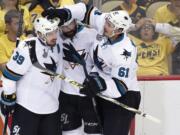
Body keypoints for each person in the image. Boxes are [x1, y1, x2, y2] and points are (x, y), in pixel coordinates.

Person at [42, 2, 141, 135]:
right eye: (107, 22)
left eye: (110, 25)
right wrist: (66, 13)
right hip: (104, 91)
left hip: (124, 95)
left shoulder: (123, 53)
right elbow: (84, 10)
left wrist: (99, 84)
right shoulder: (107, 26)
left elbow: (120, 88)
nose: (104, 25)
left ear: (118, 31)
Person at [0, 17, 62, 135]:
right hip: (27, 108)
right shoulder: (27, 48)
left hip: (51, 107)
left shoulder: (57, 44)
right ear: (39, 33)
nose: (54, 36)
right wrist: (8, 97)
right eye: (49, 33)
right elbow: (9, 75)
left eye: (56, 31)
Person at [59, 18, 102, 135]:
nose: (67, 29)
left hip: (88, 93)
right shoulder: (56, 36)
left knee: (94, 133)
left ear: (75, 21)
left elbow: (101, 63)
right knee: (70, 132)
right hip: (66, 94)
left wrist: (94, 79)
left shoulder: (92, 34)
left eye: (69, 25)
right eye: (63, 27)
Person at [0, 10, 26, 76]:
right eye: (17, 23)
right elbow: (6, 71)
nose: (21, 26)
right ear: (8, 26)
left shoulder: (27, 41)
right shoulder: (1, 43)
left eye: (22, 23)